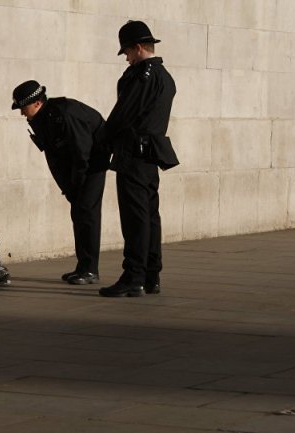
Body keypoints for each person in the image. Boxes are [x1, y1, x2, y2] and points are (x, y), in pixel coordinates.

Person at [98, 20, 179, 298]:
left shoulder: (142, 76)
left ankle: (134, 275)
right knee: (150, 216)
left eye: (128, 52)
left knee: (135, 218)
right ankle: (151, 274)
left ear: (139, 47)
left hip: (133, 154)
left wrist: (102, 140)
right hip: (150, 155)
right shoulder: (165, 77)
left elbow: (123, 114)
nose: (127, 58)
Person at [11, 80, 109, 285]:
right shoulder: (44, 118)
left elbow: (82, 152)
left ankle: (90, 270)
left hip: (92, 162)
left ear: (37, 103)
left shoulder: (64, 114)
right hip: (78, 168)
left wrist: (78, 184)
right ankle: (84, 267)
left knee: (87, 213)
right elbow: (57, 157)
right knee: (79, 213)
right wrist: (69, 187)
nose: (22, 113)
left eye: (23, 107)